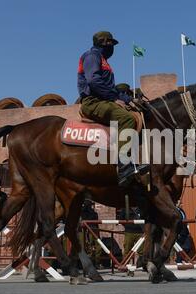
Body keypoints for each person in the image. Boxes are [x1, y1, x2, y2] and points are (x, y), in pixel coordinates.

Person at [77, 31, 149, 186]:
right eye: (111, 44)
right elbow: (93, 81)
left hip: (103, 100)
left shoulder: (103, 60)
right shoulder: (92, 56)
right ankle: (124, 167)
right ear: (104, 43)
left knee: (134, 113)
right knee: (127, 119)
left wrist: (131, 100)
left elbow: (113, 90)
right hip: (93, 102)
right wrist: (114, 98)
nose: (112, 47)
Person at [80, 199, 102, 268]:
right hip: (88, 231)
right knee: (88, 247)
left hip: (92, 230)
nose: (93, 207)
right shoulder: (85, 213)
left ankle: (94, 263)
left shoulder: (89, 213)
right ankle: (91, 263)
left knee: (95, 246)